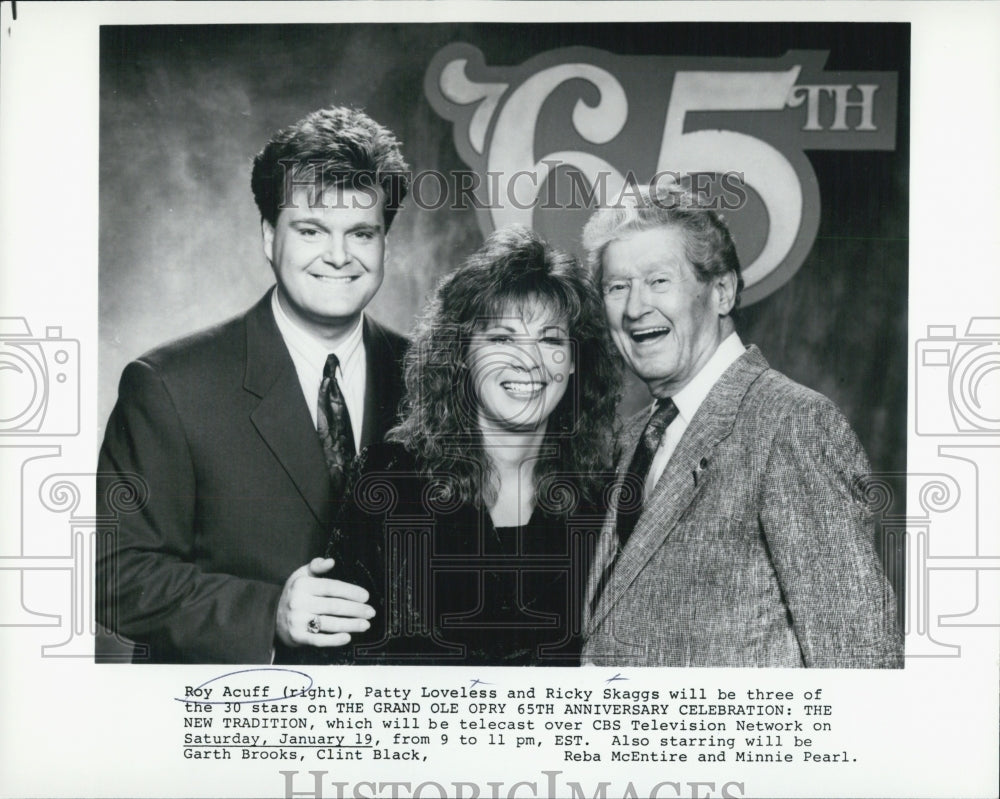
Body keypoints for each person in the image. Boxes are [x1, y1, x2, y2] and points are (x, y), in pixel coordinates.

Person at [96, 106, 410, 663]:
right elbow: (114, 574)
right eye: (311, 230)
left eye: (361, 232)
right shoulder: (168, 385)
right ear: (269, 236)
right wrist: (268, 614)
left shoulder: (427, 378)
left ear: (384, 242)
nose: (338, 257)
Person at [580, 185, 903, 668]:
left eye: (659, 281)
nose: (633, 308)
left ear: (723, 291)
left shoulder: (792, 424)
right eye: (617, 286)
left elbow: (860, 664)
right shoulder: (631, 440)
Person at [324, 225, 620, 665]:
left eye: (551, 339)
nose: (529, 360)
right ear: (463, 352)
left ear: (576, 362)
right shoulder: (390, 481)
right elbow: (337, 660)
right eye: (502, 338)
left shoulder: (607, 498)